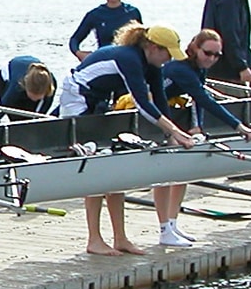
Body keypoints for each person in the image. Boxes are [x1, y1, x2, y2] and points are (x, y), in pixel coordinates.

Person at [57, 25, 199, 255]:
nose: (169, 59)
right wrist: (175, 131)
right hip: (78, 98)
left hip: (99, 100)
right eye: (167, 53)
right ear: (152, 47)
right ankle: (94, 240)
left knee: (115, 168)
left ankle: (120, 238)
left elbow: (159, 99)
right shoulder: (129, 58)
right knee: (96, 167)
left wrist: (170, 134)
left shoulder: (152, 64)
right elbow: (142, 103)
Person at [152, 30, 251, 246]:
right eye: (208, 53)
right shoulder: (181, 68)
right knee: (164, 175)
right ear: (195, 48)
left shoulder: (199, 67)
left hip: (171, 114)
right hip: (154, 117)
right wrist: (238, 126)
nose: (211, 59)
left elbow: (198, 100)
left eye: (217, 55)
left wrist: (197, 127)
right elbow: (206, 100)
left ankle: (173, 224)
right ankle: (164, 230)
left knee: (181, 174)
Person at [69, 0, 143, 62]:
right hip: (104, 60)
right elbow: (75, 39)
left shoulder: (133, 13)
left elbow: (142, 40)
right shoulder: (95, 15)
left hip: (128, 60)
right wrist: (79, 53)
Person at [0, 56, 57, 121]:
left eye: (38, 98)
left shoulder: (51, 86)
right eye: (32, 96)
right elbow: (2, 108)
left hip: (28, 80)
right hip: (7, 77)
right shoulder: (16, 87)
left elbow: (42, 113)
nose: (34, 99)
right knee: (15, 115)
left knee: (31, 115)